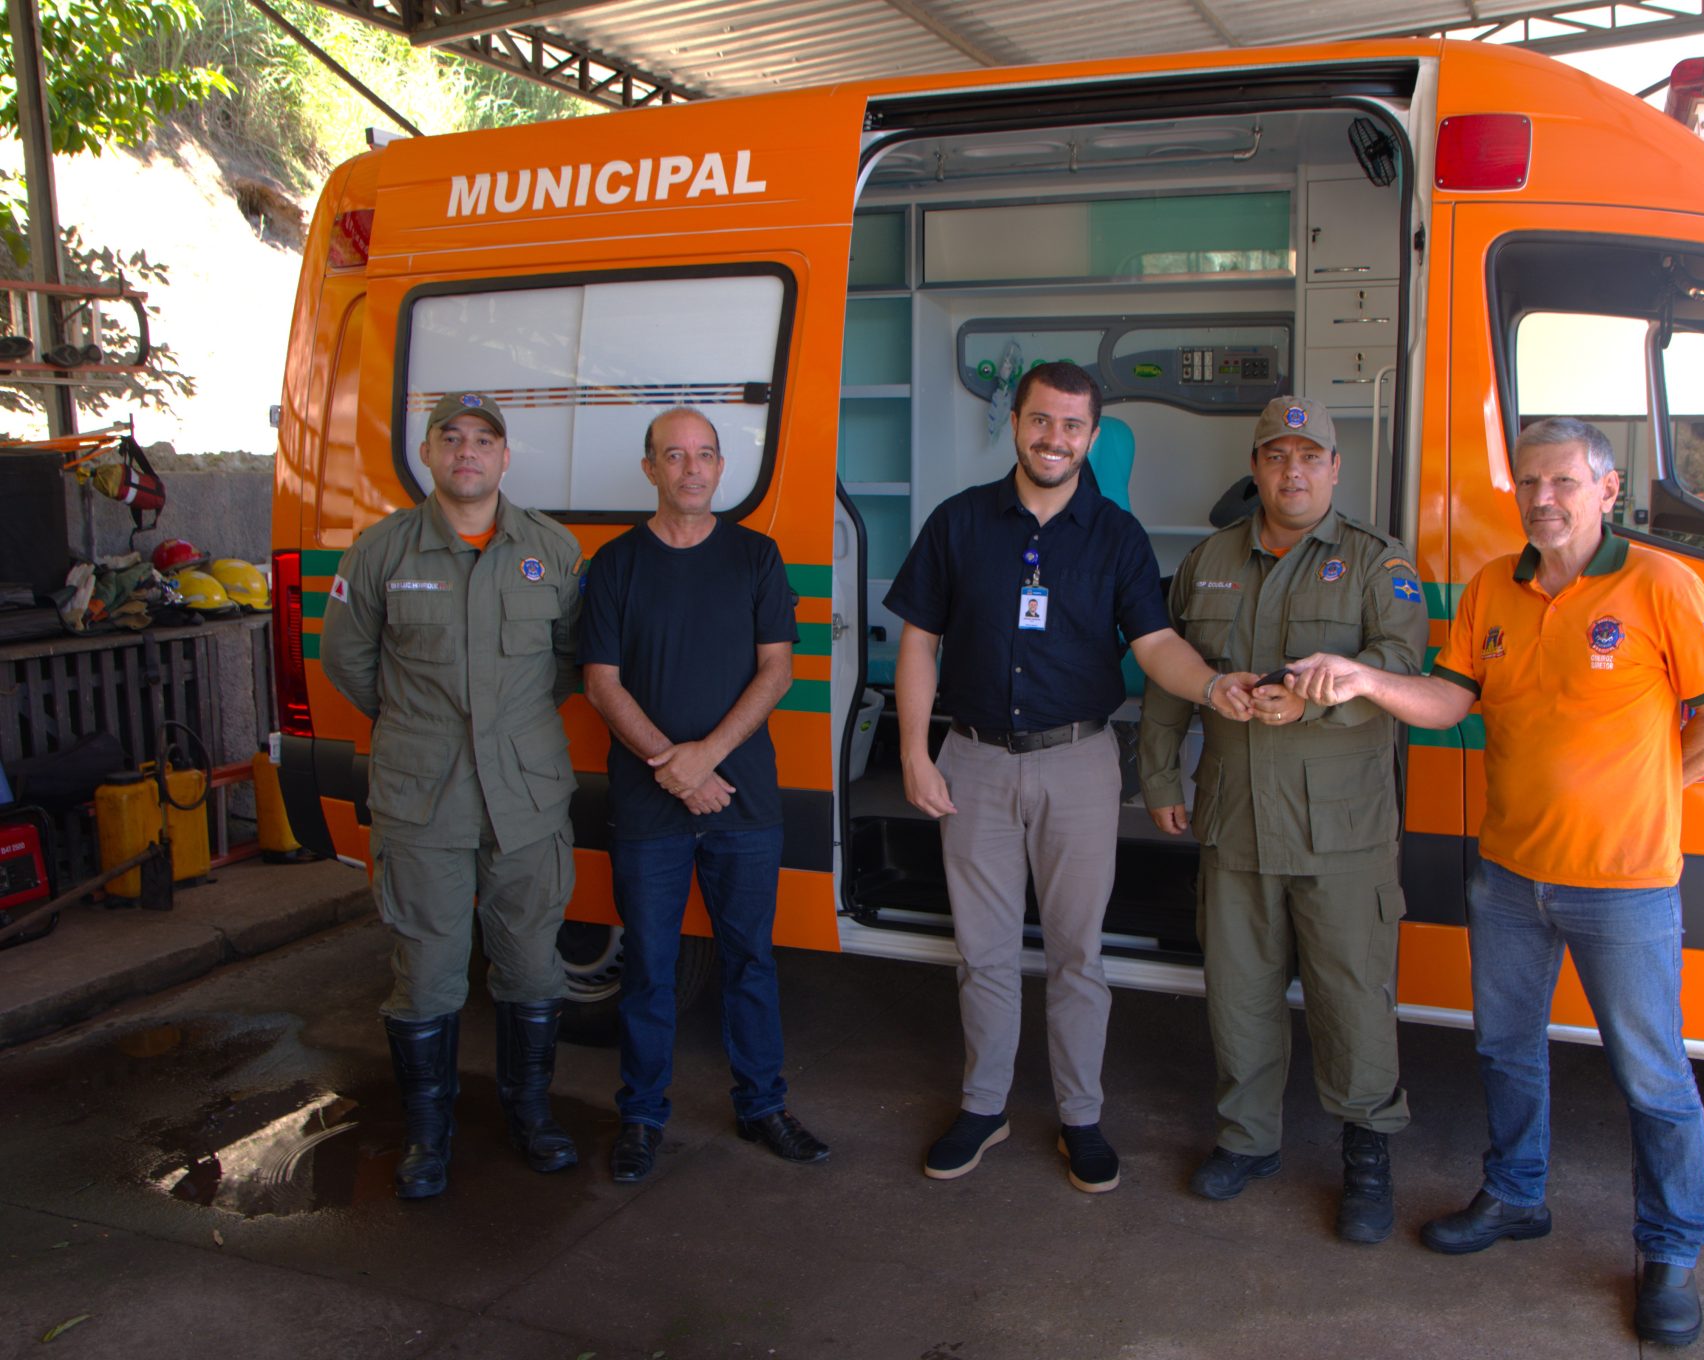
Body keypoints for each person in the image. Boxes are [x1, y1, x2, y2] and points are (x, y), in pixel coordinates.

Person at [1288, 417, 1704, 1347]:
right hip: (1508, 875)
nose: (1543, 499)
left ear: (1607, 489)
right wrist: (1366, 681)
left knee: (1651, 1076)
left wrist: (1660, 784)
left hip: (1624, 885)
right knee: (1506, 1051)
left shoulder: (1659, 582)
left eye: (1564, 483)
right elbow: (1450, 701)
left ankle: (1668, 1250)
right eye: (1529, 484)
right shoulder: (1494, 592)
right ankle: (1515, 1194)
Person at [887, 361, 1258, 1193]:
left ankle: (1081, 1117)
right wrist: (915, 750)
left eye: (1072, 426)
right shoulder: (958, 523)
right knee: (981, 954)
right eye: (1041, 421)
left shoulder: (1116, 535)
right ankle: (984, 1107)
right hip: (973, 761)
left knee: (1076, 955)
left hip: (1081, 763)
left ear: (1095, 436)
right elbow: (919, 640)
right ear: (1016, 423)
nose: (1055, 438)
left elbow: (1154, 643)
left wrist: (1211, 686)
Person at [1139, 395, 1426, 1244]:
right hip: (1236, 820)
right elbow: (1171, 675)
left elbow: (1400, 670)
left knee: (1351, 998)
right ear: (1255, 467)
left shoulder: (1378, 564)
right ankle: (1248, 1139)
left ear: (1336, 469)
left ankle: (1367, 1152)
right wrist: (1158, 771)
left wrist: (1313, 701)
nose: (1291, 472)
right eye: (1275, 456)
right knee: (1239, 993)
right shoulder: (1210, 562)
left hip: (1343, 830)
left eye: (1309, 457)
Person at [322, 390, 584, 1200]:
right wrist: (417, 727)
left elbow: (572, 661)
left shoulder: (552, 549)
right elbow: (348, 662)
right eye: (451, 438)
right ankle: (427, 1138)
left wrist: (509, 730)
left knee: (532, 965)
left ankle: (529, 1115)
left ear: (505, 458)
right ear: (429, 455)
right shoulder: (381, 551)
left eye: (484, 440)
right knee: (428, 972)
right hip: (421, 795)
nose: (467, 452)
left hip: (526, 795)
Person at [580, 406, 829, 1183]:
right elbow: (600, 682)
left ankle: (762, 1105)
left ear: (723, 468)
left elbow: (777, 670)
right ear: (650, 469)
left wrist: (706, 760)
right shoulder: (616, 564)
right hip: (650, 805)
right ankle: (643, 1116)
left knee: (751, 959)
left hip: (744, 799)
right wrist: (668, 763)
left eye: (706, 455)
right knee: (650, 968)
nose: (692, 469)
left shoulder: (757, 556)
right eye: (674, 456)